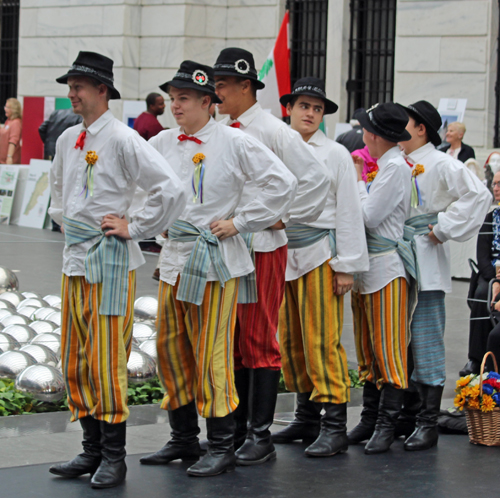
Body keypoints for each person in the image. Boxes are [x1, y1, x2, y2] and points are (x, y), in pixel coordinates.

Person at [139, 61, 297, 477]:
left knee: (213, 352)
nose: (175, 106)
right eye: (172, 99)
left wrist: (241, 222)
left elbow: (283, 183)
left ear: (208, 102)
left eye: (184, 98)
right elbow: (143, 188)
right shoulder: (162, 142)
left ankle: (224, 442)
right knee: (170, 349)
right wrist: (144, 224)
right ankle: (184, 437)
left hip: (214, 260)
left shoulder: (234, 141)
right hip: (173, 257)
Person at [47, 51, 186, 489]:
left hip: (108, 259)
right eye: (70, 87)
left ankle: (113, 455)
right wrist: (67, 223)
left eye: (78, 87)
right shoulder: (71, 139)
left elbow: (170, 187)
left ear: (101, 91)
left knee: (107, 357)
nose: (71, 94)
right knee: (75, 356)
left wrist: (136, 227)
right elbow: (56, 189)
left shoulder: (124, 139)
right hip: (75, 259)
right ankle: (90, 449)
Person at [213, 47, 331, 466]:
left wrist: (285, 217)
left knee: (259, 337)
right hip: (229, 245)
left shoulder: (272, 130)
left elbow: (316, 178)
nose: (216, 90)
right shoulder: (222, 128)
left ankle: (259, 435)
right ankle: (244, 428)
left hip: (262, 247)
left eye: (223, 83)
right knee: (235, 341)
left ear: (246, 86)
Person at [271, 78, 369, 457]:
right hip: (281, 251)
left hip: (320, 253)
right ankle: (306, 414)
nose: (309, 113)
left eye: (316, 108)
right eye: (303, 106)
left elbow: (348, 209)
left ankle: (334, 424)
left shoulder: (335, 154)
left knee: (321, 338)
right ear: (289, 109)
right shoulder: (276, 146)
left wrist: (346, 266)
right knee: (291, 338)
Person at [397, 100, 491, 451]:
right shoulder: (397, 161)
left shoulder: (441, 163)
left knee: (426, 337)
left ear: (421, 128)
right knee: (397, 337)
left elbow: (478, 195)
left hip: (425, 254)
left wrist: (443, 228)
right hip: (396, 256)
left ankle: (427, 420)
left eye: (405, 122)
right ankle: (403, 415)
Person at [347, 102, 414, 455]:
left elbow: (370, 217)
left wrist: (358, 182)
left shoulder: (395, 169)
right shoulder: (387, 167)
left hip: (386, 268)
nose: (363, 136)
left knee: (388, 349)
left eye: (365, 131)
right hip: (368, 267)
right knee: (369, 349)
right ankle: (371, 418)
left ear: (374, 135)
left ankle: (386, 424)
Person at [462, 169, 500, 376]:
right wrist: (493, 279)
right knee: (480, 295)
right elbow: (482, 255)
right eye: (494, 184)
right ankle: (476, 359)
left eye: (499, 184)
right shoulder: (490, 218)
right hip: (491, 273)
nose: (495, 188)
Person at [0, 98, 22, 164]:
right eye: (5, 106)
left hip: (9, 161)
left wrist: (9, 157)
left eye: (8, 107)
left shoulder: (16, 123)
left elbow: (13, 141)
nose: (5, 109)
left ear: (14, 109)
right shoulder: (8, 121)